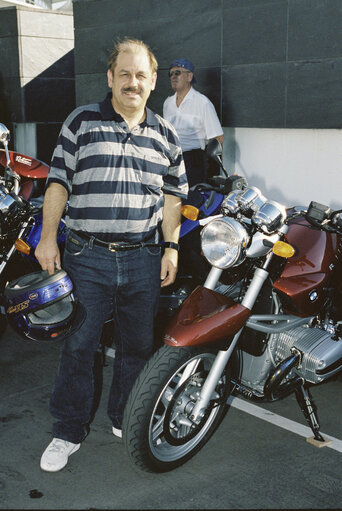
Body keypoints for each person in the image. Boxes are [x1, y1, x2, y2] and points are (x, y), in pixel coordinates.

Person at [35, 38, 188, 472]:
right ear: (110, 78)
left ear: (153, 81)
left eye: (141, 75)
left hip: (143, 258)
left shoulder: (165, 135)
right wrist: (48, 238)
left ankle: (125, 416)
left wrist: (172, 246)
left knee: (137, 347)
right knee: (79, 346)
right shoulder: (81, 121)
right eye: (125, 74)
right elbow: (58, 182)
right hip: (87, 255)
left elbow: (173, 197)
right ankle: (67, 430)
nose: (132, 83)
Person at [163, 58, 224, 188]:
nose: (173, 76)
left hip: (193, 161)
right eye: (171, 74)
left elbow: (218, 137)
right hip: (170, 160)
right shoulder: (167, 103)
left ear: (189, 76)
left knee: (191, 203)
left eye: (178, 73)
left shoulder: (202, 102)